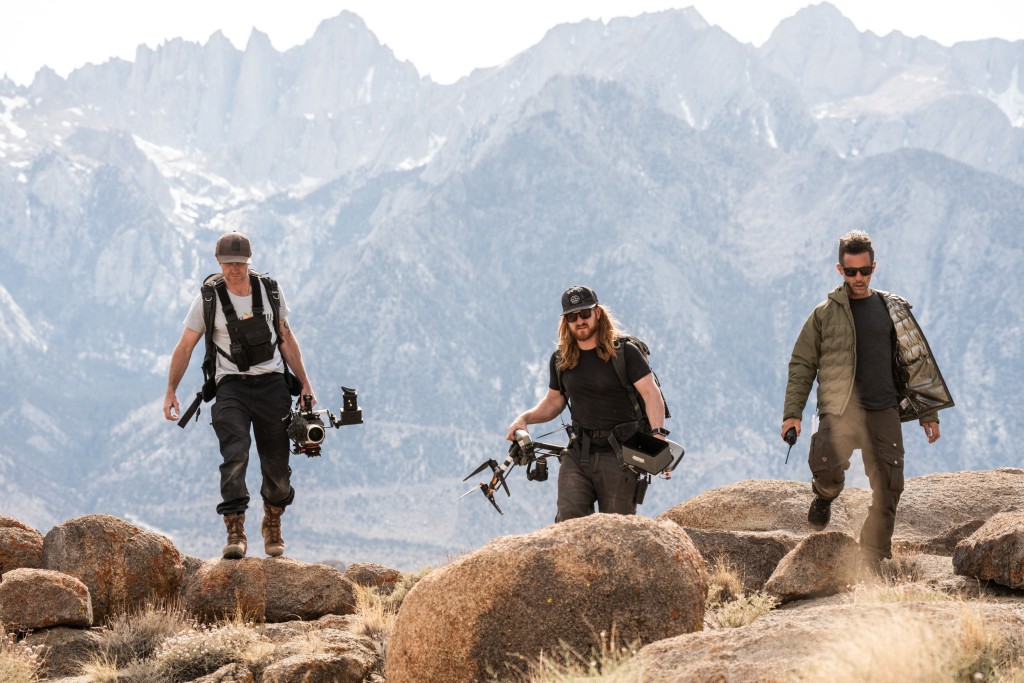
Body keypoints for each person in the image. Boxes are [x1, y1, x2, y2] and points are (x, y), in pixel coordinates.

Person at [781, 230, 953, 573]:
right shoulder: (824, 314)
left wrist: (928, 412)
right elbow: (802, 364)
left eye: (864, 270)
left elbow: (914, 362)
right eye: (851, 271)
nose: (858, 278)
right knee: (826, 470)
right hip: (839, 409)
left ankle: (872, 558)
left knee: (890, 486)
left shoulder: (892, 310)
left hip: (883, 408)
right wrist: (792, 414)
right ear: (840, 270)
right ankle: (825, 495)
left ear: (874, 267)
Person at [163, 231, 316, 559]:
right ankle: (235, 530)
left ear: (249, 262)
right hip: (231, 386)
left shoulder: (269, 291)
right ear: (218, 262)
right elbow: (185, 346)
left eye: (240, 263)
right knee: (235, 455)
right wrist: (171, 390)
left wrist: (305, 383)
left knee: (277, 466)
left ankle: (272, 521)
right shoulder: (208, 299)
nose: (235, 269)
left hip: (272, 384)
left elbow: (286, 337)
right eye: (229, 263)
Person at [506, 285, 668, 522]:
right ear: (566, 321)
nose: (579, 321)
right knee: (568, 522)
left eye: (584, 313)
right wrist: (524, 418)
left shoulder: (625, 353)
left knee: (616, 528)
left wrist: (658, 437)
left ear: (597, 313)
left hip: (621, 456)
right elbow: (554, 402)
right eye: (572, 316)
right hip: (578, 453)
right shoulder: (561, 359)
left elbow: (651, 394)